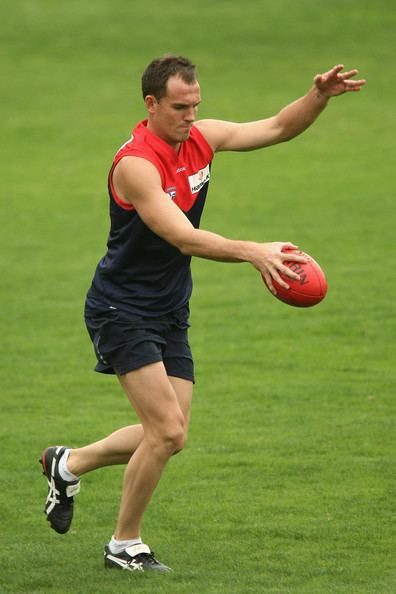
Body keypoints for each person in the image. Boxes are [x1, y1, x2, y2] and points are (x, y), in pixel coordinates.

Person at [40, 55, 365, 573]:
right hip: (121, 307)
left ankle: (68, 463)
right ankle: (124, 545)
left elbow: (278, 127)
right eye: (178, 107)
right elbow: (182, 235)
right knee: (165, 431)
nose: (190, 116)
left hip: (169, 305)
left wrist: (318, 97)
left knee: (171, 434)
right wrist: (254, 251)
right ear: (151, 105)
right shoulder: (136, 165)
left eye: (195, 105)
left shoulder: (201, 138)